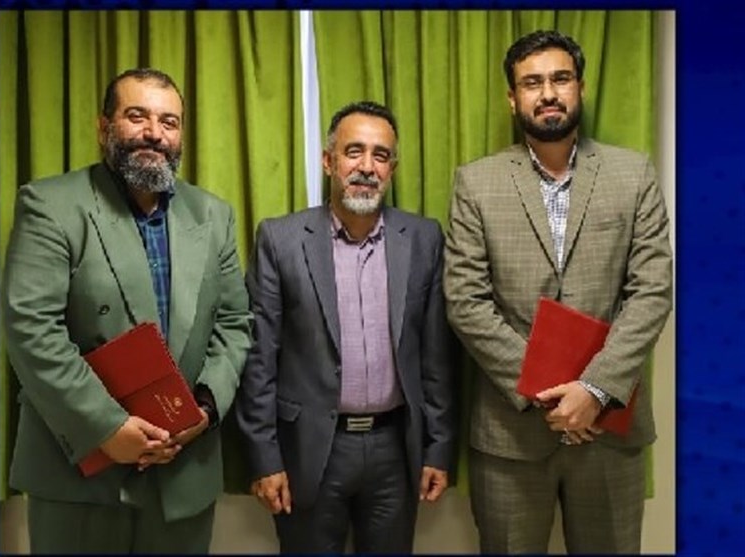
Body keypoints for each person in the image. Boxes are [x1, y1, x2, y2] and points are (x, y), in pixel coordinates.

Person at [1, 68, 252, 554]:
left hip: (183, 469)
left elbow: (234, 325)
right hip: (80, 476)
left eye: (169, 122)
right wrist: (106, 427)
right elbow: (31, 328)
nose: (154, 133)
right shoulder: (50, 205)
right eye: (137, 116)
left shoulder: (213, 214)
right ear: (104, 127)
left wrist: (203, 408)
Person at [444, 30, 673, 554]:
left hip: (609, 433)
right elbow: (465, 301)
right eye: (532, 83)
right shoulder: (475, 184)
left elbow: (652, 291)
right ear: (512, 98)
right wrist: (552, 391)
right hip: (511, 435)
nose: (548, 93)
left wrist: (593, 390)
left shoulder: (633, 173)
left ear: (581, 88)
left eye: (560, 79)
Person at [236, 101, 457, 553]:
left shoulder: (423, 238)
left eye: (381, 155)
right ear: (328, 161)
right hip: (310, 449)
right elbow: (259, 358)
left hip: (395, 449)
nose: (367, 167)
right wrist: (264, 458)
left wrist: (438, 447)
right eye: (354, 151)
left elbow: (437, 355)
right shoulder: (280, 240)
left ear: (392, 169)